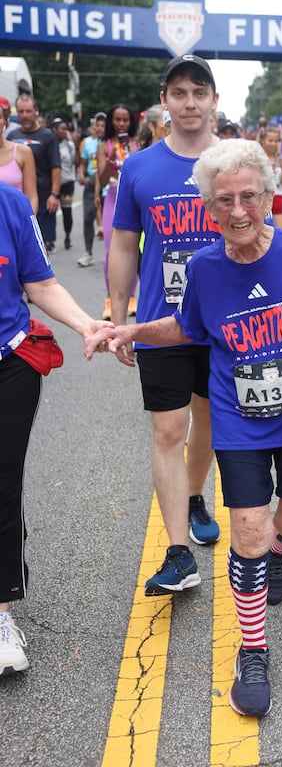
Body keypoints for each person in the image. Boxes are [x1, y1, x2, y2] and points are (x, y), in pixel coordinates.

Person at [85, 137, 282, 718]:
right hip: (240, 420)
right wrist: (128, 330)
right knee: (247, 533)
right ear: (208, 209)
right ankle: (251, 650)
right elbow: (186, 328)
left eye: (249, 197)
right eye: (223, 201)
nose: (237, 211)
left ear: (271, 196)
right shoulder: (205, 268)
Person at [107, 54, 221, 596]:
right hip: (161, 322)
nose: (190, 102)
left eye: (200, 92)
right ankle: (180, 553)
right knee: (169, 430)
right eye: (180, 93)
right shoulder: (140, 167)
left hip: (227, 324)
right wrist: (119, 315)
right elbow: (125, 243)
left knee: (210, 424)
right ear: (165, 101)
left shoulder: (234, 162)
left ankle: (196, 494)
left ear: (214, 101)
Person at [0, 182, 110, 675]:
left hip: (9, 361)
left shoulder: (9, 202)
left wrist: (88, 325)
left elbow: (40, 283)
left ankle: (1, 617)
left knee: (2, 486)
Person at [97, 104, 138, 320]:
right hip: (113, 197)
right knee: (109, 252)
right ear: (111, 122)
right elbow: (102, 180)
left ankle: (131, 297)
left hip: (133, 199)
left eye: (125, 120)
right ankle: (110, 298)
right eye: (117, 120)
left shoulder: (137, 144)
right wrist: (112, 159)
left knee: (135, 249)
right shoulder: (105, 146)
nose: (121, 124)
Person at [7, 94, 61, 252]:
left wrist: (54, 195)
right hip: (17, 198)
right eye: (21, 111)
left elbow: (55, 167)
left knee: (39, 248)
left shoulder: (48, 136)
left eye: (28, 111)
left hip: (43, 198)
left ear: (36, 111)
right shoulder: (13, 136)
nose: (24, 115)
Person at [77, 112, 106, 267]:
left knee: (111, 221)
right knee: (88, 218)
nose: (100, 128)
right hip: (91, 183)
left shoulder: (110, 143)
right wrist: (81, 174)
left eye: (103, 126)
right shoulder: (88, 143)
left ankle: (111, 254)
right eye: (98, 125)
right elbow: (82, 163)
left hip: (107, 185)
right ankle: (88, 253)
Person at [0, 109, 37, 210]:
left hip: (16, 222)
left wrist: (27, 222)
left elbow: (32, 197)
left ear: (5, 122)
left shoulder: (23, 152)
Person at [50, 118, 78, 250]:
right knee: (51, 212)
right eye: (62, 129)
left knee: (67, 212)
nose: (64, 131)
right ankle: (50, 239)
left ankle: (68, 237)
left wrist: (71, 142)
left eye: (66, 129)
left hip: (67, 182)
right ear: (54, 130)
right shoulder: (49, 144)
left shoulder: (69, 145)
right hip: (53, 184)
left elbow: (74, 161)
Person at [259, 125, 282, 227]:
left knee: (280, 233)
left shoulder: (281, 158)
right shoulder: (257, 157)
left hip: (278, 196)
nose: (274, 144)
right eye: (270, 140)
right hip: (261, 198)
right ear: (263, 141)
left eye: (276, 141)